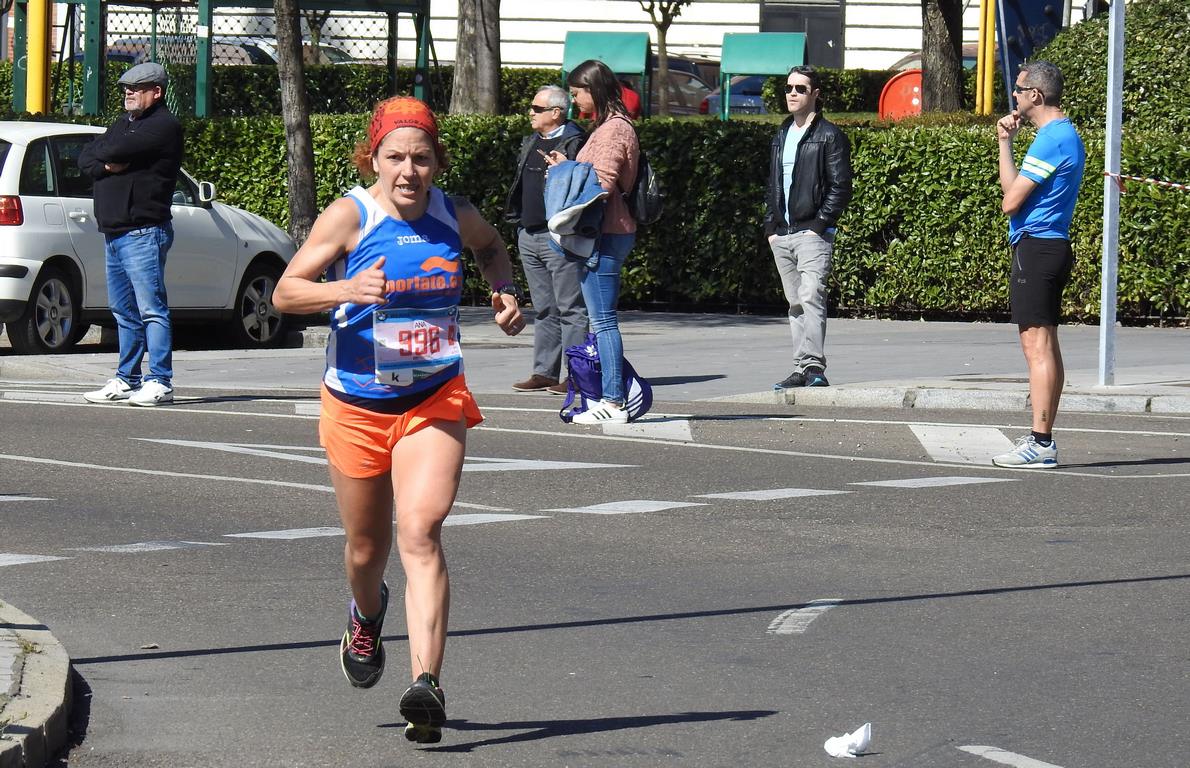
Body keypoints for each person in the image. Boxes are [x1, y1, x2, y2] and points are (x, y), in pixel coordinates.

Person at [272, 97, 524, 744]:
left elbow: (493, 246)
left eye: (421, 158)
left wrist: (503, 289)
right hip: (356, 405)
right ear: (373, 159)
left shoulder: (454, 212)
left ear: (436, 160)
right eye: (395, 158)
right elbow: (284, 292)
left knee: (422, 529)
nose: (409, 171)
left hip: (433, 396)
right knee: (366, 550)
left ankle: (426, 684)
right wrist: (344, 290)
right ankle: (367, 609)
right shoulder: (350, 217)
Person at [991, 61, 1085, 469]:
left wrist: (1007, 150)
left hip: (1039, 246)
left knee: (1037, 346)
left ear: (1037, 96)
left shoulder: (1052, 138)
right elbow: (1013, 191)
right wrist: (1004, 144)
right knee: (1043, 344)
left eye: (1019, 88)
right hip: (1045, 246)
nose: (1014, 95)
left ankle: (1041, 442)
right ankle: (1041, 438)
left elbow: (1011, 202)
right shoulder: (1059, 136)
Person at [78, 62, 183, 407]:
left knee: (152, 309)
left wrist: (106, 157)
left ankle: (160, 380)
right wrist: (105, 164)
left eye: (137, 88)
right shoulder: (126, 124)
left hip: (143, 231)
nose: (128, 93)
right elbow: (88, 157)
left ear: (157, 92)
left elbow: (110, 149)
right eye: (126, 88)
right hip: (115, 230)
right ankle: (127, 379)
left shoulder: (163, 126)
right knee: (123, 310)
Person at [546, 59, 639, 425]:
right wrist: (566, 165)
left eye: (577, 92)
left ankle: (613, 402)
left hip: (606, 233)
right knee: (602, 320)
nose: (574, 100)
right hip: (605, 233)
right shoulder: (608, 127)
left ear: (594, 89)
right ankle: (610, 397)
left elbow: (600, 184)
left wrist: (564, 171)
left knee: (603, 322)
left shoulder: (614, 129)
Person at [764, 65, 852, 390]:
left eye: (800, 89)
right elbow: (773, 184)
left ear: (815, 95)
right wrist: (770, 226)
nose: (792, 94)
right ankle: (801, 367)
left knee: (811, 294)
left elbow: (840, 186)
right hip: (782, 234)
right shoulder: (782, 134)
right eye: (788, 87)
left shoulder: (829, 135)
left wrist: (820, 224)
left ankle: (815, 366)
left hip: (812, 233)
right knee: (795, 303)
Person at [504, 85, 588, 394]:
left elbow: (585, 184)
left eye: (536, 109)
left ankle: (578, 375)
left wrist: (566, 167)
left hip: (559, 236)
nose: (530, 112)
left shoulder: (575, 142)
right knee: (544, 308)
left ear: (556, 113)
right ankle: (544, 372)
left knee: (570, 308)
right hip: (529, 234)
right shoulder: (531, 142)